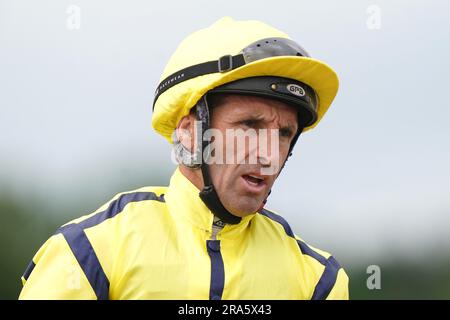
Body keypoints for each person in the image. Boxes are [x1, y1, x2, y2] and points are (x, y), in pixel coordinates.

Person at [19, 17, 349, 300]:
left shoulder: (318, 280)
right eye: (249, 125)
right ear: (190, 131)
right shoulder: (88, 253)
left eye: (284, 134)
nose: (269, 154)